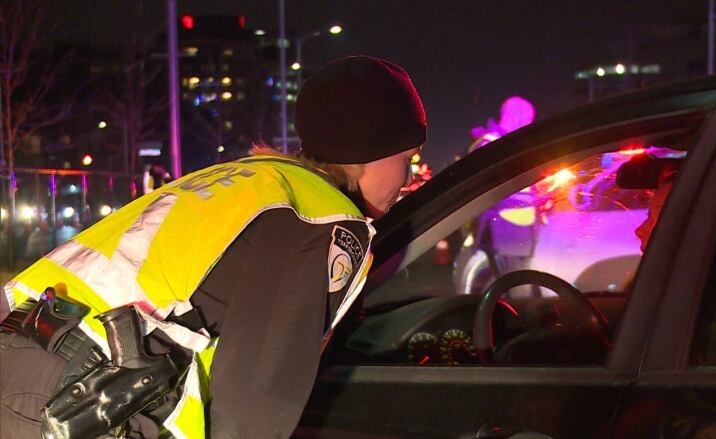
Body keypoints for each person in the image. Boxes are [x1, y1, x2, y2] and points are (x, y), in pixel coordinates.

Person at [0, 55, 427, 439]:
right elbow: (257, 397)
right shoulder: (323, 220)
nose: (408, 176)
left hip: (32, 361)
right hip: (73, 403)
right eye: (406, 156)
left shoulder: (248, 181)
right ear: (368, 147)